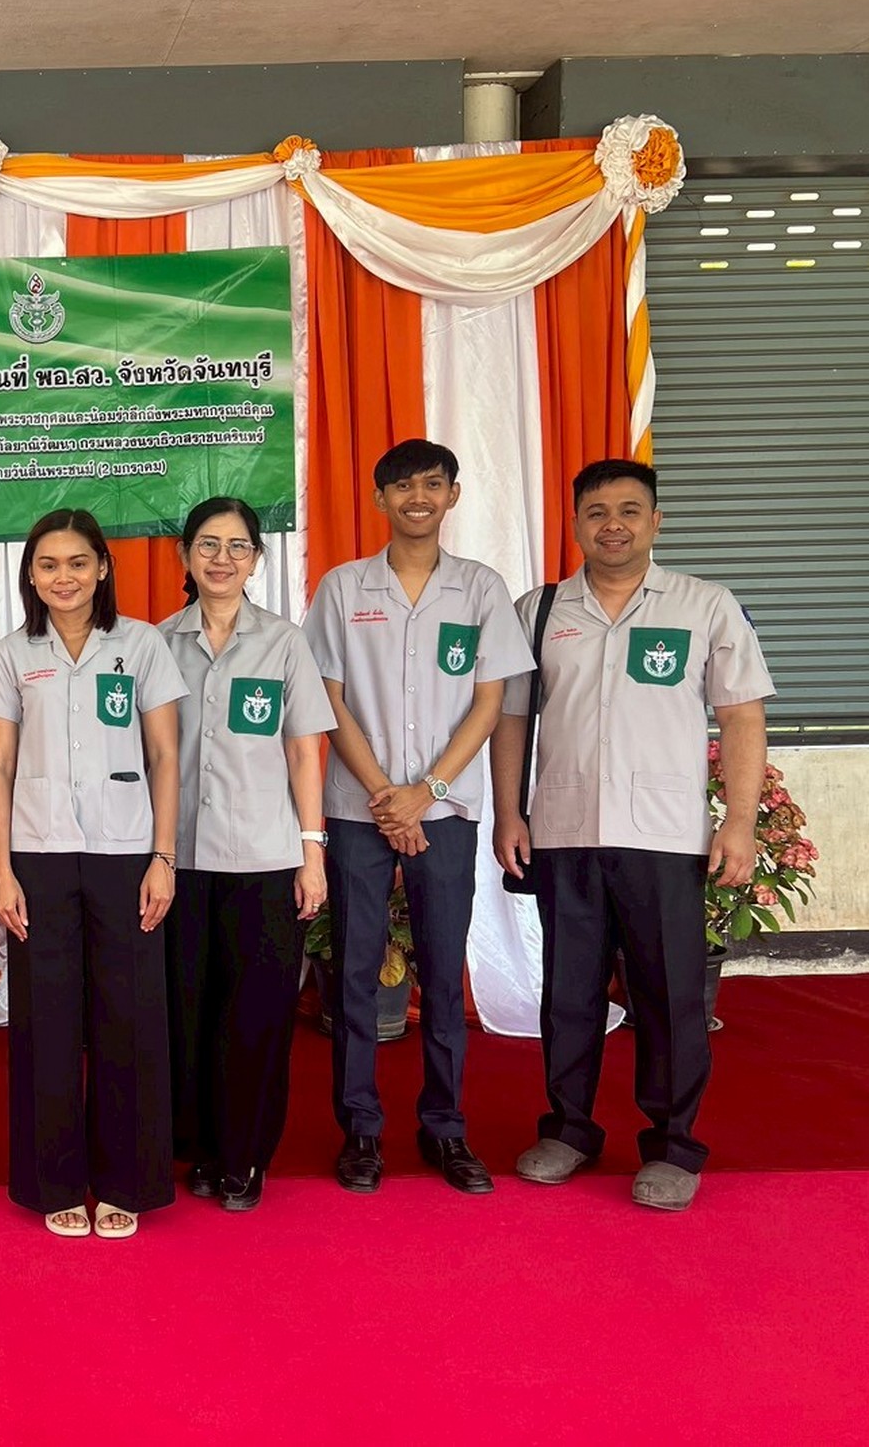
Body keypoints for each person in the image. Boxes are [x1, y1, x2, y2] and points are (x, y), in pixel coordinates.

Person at [492, 459, 771, 1212]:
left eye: (628, 510)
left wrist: (739, 822)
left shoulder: (705, 606)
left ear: (655, 521)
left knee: (669, 994)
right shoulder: (539, 610)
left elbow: (742, 716)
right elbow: (511, 718)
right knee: (568, 992)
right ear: (576, 523)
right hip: (565, 829)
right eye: (596, 512)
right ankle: (569, 1130)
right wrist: (510, 812)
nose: (612, 525)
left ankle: (673, 1146)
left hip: (664, 834)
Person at [303, 439, 535, 1196]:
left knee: (441, 969)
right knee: (355, 970)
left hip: (447, 811)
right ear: (379, 499)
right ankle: (361, 1130)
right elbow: (328, 700)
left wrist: (426, 792)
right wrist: (387, 795)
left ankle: (444, 1127)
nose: (417, 498)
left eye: (432, 484)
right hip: (358, 810)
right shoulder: (343, 588)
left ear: (453, 495)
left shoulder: (481, 589)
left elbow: (491, 701)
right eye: (402, 487)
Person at [0, 509, 186, 1240]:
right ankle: (56, 1182)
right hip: (38, 855)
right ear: (31, 576)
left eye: (76, 562)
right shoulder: (13, 653)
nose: (62, 577)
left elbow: (165, 756)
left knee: (130, 1018)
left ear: (102, 567)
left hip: (126, 854)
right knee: (48, 1021)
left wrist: (163, 857)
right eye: (47, 565)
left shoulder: (142, 644)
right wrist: (1, 868)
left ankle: (127, 1181)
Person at [158, 498, 335, 1214]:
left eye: (237, 546)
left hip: (264, 857)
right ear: (185, 555)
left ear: (257, 559)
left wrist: (311, 851)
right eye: (208, 544)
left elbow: (303, 752)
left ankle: (246, 1155)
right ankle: (202, 1146)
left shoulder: (284, 643)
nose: (222, 559)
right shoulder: (156, 643)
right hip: (179, 861)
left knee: (256, 1014)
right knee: (188, 1011)